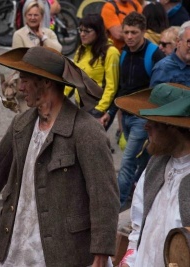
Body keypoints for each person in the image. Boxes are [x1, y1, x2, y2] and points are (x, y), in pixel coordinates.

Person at [0, 46, 120, 267]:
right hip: (17, 249)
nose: (20, 87)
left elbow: (104, 197)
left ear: (46, 82)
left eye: (25, 80)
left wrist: (101, 254)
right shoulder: (21, 124)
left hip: (63, 254)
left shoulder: (86, 131)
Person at [115, 83, 190, 267]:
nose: (146, 127)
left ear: (173, 127)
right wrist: (130, 260)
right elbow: (138, 224)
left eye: (154, 122)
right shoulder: (155, 165)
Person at [100, 12, 165, 207]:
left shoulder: (154, 54)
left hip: (143, 118)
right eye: (126, 32)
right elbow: (121, 88)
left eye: (134, 32)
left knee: (127, 160)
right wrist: (110, 113)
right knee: (144, 159)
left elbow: (160, 89)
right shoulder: (124, 54)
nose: (129, 37)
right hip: (126, 117)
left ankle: (116, 205)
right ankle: (140, 194)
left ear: (143, 32)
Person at [64, 13, 120, 123]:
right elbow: (72, 78)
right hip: (80, 106)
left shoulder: (111, 52)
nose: (82, 34)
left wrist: (99, 109)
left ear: (98, 32)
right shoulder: (81, 49)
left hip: (97, 108)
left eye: (87, 31)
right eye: (80, 30)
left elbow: (112, 86)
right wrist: (61, 97)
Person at [150, 21, 190, 87]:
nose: (160, 47)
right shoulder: (163, 69)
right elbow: (155, 96)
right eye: (189, 42)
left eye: (164, 44)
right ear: (178, 41)